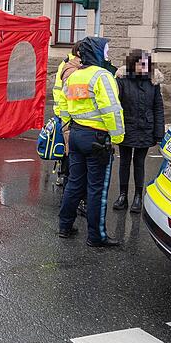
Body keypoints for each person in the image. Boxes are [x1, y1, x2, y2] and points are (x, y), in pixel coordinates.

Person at [57, 36, 124, 248]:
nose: (108, 53)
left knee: (74, 183)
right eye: (106, 49)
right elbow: (111, 109)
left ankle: (65, 226)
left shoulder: (75, 76)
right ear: (96, 51)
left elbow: (65, 104)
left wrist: (67, 127)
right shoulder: (102, 76)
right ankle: (96, 236)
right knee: (97, 189)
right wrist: (117, 137)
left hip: (76, 134)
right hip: (97, 138)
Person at [114, 50, 165, 213]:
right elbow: (116, 105)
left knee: (139, 162)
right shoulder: (122, 80)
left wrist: (159, 132)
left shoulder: (153, 82)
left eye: (145, 64)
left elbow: (158, 107)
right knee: (124, 161)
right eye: (139, 64)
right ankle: (123, 196)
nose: (142, 67)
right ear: (132, 64)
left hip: (145, 128)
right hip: (126, 127)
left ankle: (137, 196)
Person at [52, 41, 83, 187]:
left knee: (66, 146)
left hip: (62, 109)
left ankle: (62, 175)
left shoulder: (67, 63)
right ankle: (64, 175)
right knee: (67, 147)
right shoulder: (73, 66)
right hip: (66, 111)